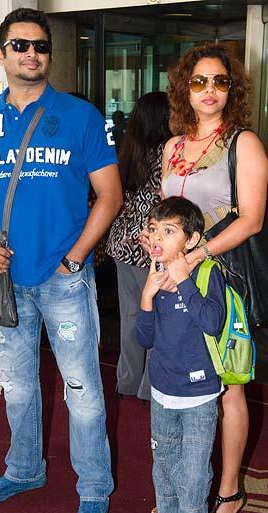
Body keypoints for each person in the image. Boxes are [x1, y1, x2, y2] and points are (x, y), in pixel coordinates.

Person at [0, 7, 122, 513]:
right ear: (2, 55)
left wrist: (74, 258)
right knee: (18, 384)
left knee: (82, 388)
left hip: (65, 279)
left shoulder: (80, 115)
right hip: (7, 281)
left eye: (41, 46)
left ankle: (93, 488)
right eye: (21, 45)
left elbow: (110, 196)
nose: (32, 54)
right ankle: (24, 470)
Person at [160, 43, 268, 513]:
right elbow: (168, 220)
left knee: (227, 386)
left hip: (222, 279)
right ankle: (184, 488)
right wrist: (161, 262)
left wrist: (196, 256)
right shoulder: (173, 146)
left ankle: (228, 489)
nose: (209, 90)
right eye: (200, 81)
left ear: (232, 88)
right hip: (176, 279)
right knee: (181, 383)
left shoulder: (243, 142)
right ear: (185, 86)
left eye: (220, 81)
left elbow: (252, 219)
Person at [137, 196, 226, 513]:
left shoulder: (208, 274)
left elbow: (212, 322)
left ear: (191, 240)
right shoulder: (155, 273)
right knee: (164, 464)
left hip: (199, 395)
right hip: (162, 389)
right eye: (154, 229)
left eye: (169, 231)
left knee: (193, 470)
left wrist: (184, 279)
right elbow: (145, 339)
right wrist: (147, 295)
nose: (157, 238)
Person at [106, 92, 171, 400]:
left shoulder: (129, 150)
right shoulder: (168, 152)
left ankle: (127, 381)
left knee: (131, 317)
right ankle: (148, 388)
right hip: (151, 246)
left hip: (122, 243)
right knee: (155, 318)